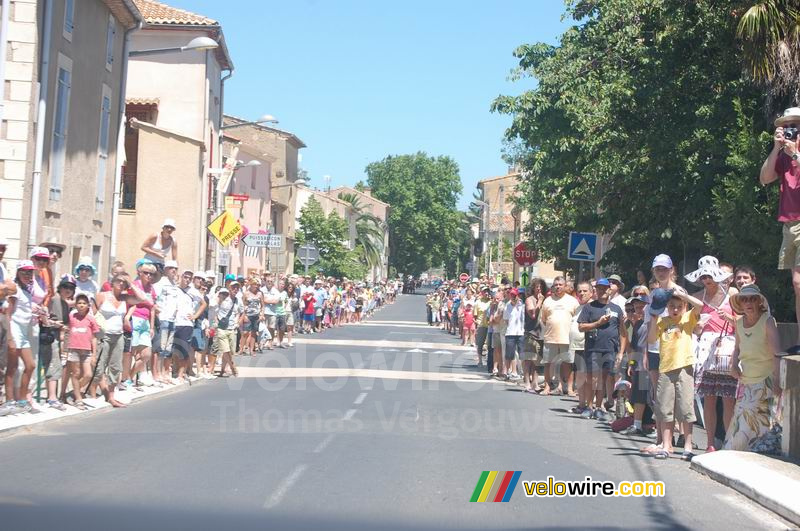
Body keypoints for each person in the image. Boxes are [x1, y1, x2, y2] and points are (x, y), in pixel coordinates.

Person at [685, 256, 737, 452]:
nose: (706, 280)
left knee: (728, 398)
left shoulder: (732, 293)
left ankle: (729, 442)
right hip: (706, 348)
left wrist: (729, 318)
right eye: (703, 277)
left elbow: (739, 322)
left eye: (709, 276)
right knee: (709, 397)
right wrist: (698, 328)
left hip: (727, 348)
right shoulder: (698, 297)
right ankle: (710, 443)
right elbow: (694, 329)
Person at [647, 286, 704, 460]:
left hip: (684, 368)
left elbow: (700, 305)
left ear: (684, 307)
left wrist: (681, 295)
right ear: (667, 307)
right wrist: (653, 317)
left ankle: (687, 446)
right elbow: (650, 340)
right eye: (672, 306)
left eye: (679, 306)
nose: (675, 309)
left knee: (686, 408)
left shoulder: (687, 319)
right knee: (665, 408)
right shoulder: (662, 322)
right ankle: (666, 444)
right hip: (666, 368)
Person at [761, 106, 800, 353]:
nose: (790, 128)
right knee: (796, 285)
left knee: (799, 282)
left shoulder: (795, 152)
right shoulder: (783, 153)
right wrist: (777, 148)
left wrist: (796, 154)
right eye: (786, 125)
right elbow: (765, 178)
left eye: (795, 124)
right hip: (789, 223)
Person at [725, 284, 782, 451]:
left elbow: (777, 353)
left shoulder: (768, 321)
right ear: (740, 304)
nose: (748, 303)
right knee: (741, 424)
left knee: (761, 424)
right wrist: (733, 364)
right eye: (744, 299)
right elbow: (737, 348)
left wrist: (778, 381)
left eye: (752, 299)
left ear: (759, 302)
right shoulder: (739, 323)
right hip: (746, 381)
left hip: (766, 380)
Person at [577, 278, 627, 421]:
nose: (602, 291)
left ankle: (599, 407)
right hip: (593, 348)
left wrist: (621, 352)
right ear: (595, 291)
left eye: (604, 288)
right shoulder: (589, 307)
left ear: (610, 290)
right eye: (599, 288)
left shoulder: (617, 309)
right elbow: (581, 327)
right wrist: (598, 323)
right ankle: (589, 406)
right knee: (592, 379)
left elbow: (623, 332)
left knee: (604, 379)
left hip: (610, 349)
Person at [92, 274, 130, 407]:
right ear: (112, 282)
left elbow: (142, 299)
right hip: (104, 335)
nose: (121, 284)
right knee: (99, 366)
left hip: (119, 335)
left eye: (124, 282)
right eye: (118, 281)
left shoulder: (125, 298)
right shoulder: (102, 296)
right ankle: (97, 392)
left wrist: (130, 285)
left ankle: (111, 396)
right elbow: (93, 315)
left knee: (115, 367)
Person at [540, 276, 580, 396]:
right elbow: (543, 319)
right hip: (550, 337)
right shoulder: (547, 300)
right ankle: (547, 387)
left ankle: (569, 388)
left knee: (568, 363)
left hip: (567, 338)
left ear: (565, 286)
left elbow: (577, 318)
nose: (558, 287)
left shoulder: (573, 301)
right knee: (548, 363)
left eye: (560, 284)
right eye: (556, 284)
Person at [122, 261, 157, 389]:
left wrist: (152, 326)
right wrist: (128, 318)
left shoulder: (151, 288)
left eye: (151, 274)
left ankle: (130, 376)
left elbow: (152, 307)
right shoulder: (134, 286)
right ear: (140, 273)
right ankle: (125, 379)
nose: (149, 276)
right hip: (135, 318)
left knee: (146, 354)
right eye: (146, 273)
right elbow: (131, 303)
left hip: (145, 322)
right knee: (132, 352)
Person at [64, 294, 99, 410]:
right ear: (75, 305)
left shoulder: (90, 319)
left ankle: (75, 390)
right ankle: (78, 398)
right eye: (79, 303)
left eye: (84, 303)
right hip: (74, 349)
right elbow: (67, 331)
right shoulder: (71, 317)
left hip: (87, 350)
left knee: (88, 374)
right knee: (76, 373)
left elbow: (94, 337)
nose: (81, 305)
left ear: (88, 305)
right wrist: (64, 348)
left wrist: (94, 354)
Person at [172, 270, 206, 383]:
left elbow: (203, 304)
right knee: (174, 349)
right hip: (174, 321)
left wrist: (195, 316)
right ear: (181, 277)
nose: (187, 280)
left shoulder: (193, 291)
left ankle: (182, 373)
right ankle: (175, 370)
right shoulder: (175, 288)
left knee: (184, 349)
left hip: (186, 323)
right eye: (185, 277)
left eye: (189, 278)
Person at [569, 281, 594, 410]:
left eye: (585, 291)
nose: (582, 293)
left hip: (588, 346)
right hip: (577, 346)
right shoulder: (578, 307)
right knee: (580, 376)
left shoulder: (593, 307)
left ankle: (589, 405)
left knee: (588, 377)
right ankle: (581, 404)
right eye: (579, 291)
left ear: (591, 292)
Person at [154, 260, 179, 384]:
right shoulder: (161, 283)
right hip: (163, 318)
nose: (173, 270)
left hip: (172, 319)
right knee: (161, 348)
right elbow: (155, 299)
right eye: (171, 268)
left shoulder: (174, 284)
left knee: (168, 349)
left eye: (175, 268)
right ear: (165, 270)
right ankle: (157, 372)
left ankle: (165, 372)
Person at [210, 287, 241, 377]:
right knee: (225, 349)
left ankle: (223, 369)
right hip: (221, 328)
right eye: (222, 293)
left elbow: (240, 312)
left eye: (225, 294)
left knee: (230, 351)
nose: (224, 295)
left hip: (231, 328)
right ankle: (233, 367)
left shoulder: (235, 301)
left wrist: (237, 322)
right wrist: (218, 298)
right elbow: (213, 310)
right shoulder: (217, 301)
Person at [523, 279, 546, 394]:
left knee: (537, 361)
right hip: (531, 334)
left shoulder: (545, 300)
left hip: (541, 334)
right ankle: (527, 382)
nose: (539, 289)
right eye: (537, 287)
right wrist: (539, 302)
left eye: (541, 287)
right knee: (528, 360)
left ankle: (535, 383)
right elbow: (532, 315)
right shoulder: (529, 300)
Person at [502, 288, 525, 381]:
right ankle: (506, 372)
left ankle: (523, 372)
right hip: (510, 333)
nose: (513, 297)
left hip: (521, 332)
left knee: (522, 354)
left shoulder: (522, 306)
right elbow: (506, 319)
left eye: (515, 295)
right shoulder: (507, 306)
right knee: (509, 354)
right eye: (512, 295)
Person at [243, 278, 265, 354]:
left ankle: (251, 350)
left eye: (257, 285)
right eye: (254, 284)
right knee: (246, 332)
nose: (256, 286)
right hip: (248, 315)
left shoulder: (259, 293)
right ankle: (243, 348)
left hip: (256, 315)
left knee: (253, 332)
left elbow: (262, 305)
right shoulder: (246, 293)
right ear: (251, 285)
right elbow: (244, 305)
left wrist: (262, 315)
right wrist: (244, 315)